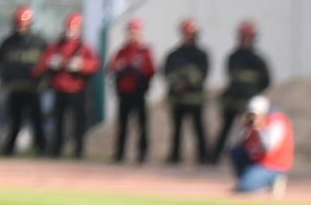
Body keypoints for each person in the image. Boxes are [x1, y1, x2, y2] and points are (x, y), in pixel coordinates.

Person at [33, 12, 100, 159]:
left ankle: (79, 151)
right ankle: (56, 149)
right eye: (69, 27)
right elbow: (41, 66)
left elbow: (95, 65)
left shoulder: (85, 48)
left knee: (78, 122)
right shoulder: (56, 46)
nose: (71, 31)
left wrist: (82, 66)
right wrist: (51, 63)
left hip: (78, 90)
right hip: (59, 89)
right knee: (58, 122)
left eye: (74, 28)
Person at [211, 20, 271, 163]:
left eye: (248, 37)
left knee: (252, 131)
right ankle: (213, 157)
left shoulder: (258, 60)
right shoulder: (233, 57)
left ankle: (251, 157)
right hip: (233, 99)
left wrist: (254, 94)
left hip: (249, 102)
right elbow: (231, 76)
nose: (245, 40)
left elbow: (266, 80)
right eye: (243, 37)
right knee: (225, 128)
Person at [0, 5, 49, 156]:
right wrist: (3, 81)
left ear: (30, 23)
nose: (21, 27)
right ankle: (9, 149)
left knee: (37, 121)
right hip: (14, 89)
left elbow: (47, 63)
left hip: (33, 88)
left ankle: (41, 148)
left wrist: (44, 81)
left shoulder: (39, 42)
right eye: (19, 23)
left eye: (24, 24)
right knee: (14, 121)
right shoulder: (7, 43)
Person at [107, 17, 156, 163]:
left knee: (142, 124)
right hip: (124, 92)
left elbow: (151, 69)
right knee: (122, 124)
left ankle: (143, 153)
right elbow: (111, 67)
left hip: (139, 92)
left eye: (135, 31)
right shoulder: (122, 51)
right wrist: (121, 69)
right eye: (130, 31)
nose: (133, 34)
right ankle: (120, 153)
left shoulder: (144, 51)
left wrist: (138, 71)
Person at [162, 18, 210, 165]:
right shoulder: (174, 54)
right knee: (176, 130)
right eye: (187, 33)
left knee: (198, 128)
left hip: (195, 99)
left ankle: (203, 157)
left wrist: (186, 83)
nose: (189, 36)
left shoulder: (201, 55)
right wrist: (176, 84)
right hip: (177, 99)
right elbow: (167, 72)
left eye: (191, 33)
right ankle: (175, 156)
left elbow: (202, 74)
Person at [228, 95, 293, 197]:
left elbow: (269, 148)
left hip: (272, 165)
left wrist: (259, 128)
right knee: (235, 151)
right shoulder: (251, 121)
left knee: (245, 187)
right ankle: (249, 179)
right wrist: (245, 128)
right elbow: (239, 143)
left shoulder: (276, 121)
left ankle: (273, 181)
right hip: (255, 161)